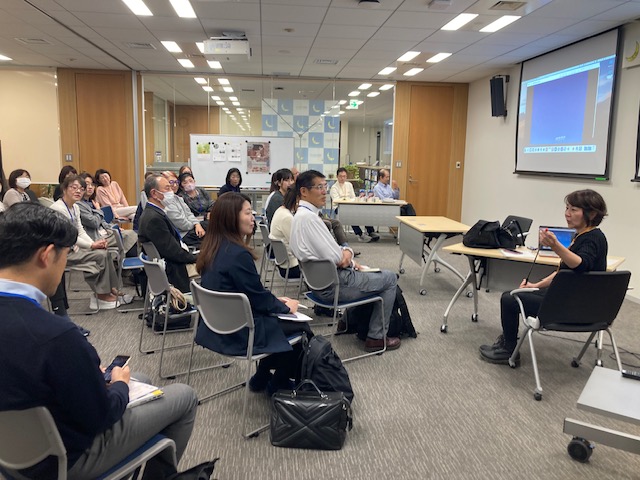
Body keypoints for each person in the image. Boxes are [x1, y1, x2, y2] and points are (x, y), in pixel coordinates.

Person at [0, 202, 198, 480]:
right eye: (66, 255)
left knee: (138, 379)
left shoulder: (43, 334)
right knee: (184, 396)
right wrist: (119, 386)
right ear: (46, 256)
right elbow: (102, 416)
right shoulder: (58, 336)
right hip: (63, 461)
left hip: (10, 456)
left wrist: (92, 376)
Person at [195, 192, 311, 392]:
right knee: (302, 328)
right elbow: (258, 299)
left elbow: (248, 292)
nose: (253, 217)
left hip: (214, 327)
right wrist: (285, 307)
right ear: (231, 218)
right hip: (240, 332)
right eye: (248, 213)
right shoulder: (238, 254)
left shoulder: (213, 247)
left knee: (279, 319)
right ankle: (279, 382)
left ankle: (262, 376)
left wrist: (275, 301)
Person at [480, 189, 609, 364]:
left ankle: (508, 350)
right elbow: (564, 273)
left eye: (573, 210)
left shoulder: (591, 238)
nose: (567, 214)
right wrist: (536, 285)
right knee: (519, 293)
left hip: (571, 309)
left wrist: (555, 246)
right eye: (567, 208)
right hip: (584, 306)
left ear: (592, 214)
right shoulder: (586, 236)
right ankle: (507, 345)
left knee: (509, 299)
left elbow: (580, 264)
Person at [290, 170, 401, 352]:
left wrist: (346, 257)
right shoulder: (310, 220)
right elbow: (339, 259)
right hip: (334, 287)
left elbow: (335, 255)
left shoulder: (300, 216)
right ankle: (376, 337)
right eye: (319, 187)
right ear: (303, 191)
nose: (324, 191)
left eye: (325, 186)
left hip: (319, 285)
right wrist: (348, 251)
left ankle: (346, 321)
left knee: (367, 272)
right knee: (389, 278)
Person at [51, 175, 131, 310]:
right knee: (100, 256)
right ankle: (101, 295)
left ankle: (110, 289)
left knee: (104, 252)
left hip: (74, 247)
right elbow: (68, 236)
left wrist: (95, 243)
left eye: (81, 189)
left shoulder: (74, 207)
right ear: (64, 189)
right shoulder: (58, 208)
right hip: (62, 253)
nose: (78, 191)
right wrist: (91, 245)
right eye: (74, 187)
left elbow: (80, 231)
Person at [138, 175, 197, 293]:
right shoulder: (154, 219)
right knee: (214, 266)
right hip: (173, 270)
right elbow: (173, 252)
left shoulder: (154, 213)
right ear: (154, 193)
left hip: (171, 262)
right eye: (167, 188)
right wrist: (197, 258)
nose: (171, 191)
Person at [77, 172, 138, 255]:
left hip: (105, 232)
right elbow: (94, 222)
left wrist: (114, 228)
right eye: (87, 184)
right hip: (96, 237)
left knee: (131, 232)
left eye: (92, 184)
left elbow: (102, 221)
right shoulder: (79, 205)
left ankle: (126, 260)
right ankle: (125, 261)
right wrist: (98, 210)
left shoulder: (92, 202)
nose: (90, 187)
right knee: (130, 235)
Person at [330, 167, 380, 243]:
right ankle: (360, 234)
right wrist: (347, 199)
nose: (342, 178)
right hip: (339, 208)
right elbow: (336, 200)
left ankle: (371, 231)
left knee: (363, 211)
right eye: (341, 176)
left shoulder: (349, 185)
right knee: (351, 214)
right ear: (337, 176)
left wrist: (357, 198)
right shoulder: (334, 187)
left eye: (344, 176)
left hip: (350, 206)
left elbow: (353, 197)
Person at [160, 171, 207, 247]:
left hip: (191, 228)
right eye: (171, 182)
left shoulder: (177, 198)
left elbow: (189, 214)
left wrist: (197, 224)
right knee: (211, 241)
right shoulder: (166, 201)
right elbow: (182, 224)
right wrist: (195, 225)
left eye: (176, 182)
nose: (175, 185)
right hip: (183, 234)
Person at [269, 188, 301, 279]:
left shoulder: (280, 210)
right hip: (291, 267)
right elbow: (298, 244)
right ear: (297, 201)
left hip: (284, 264)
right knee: (328, 266)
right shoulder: (287, 217)